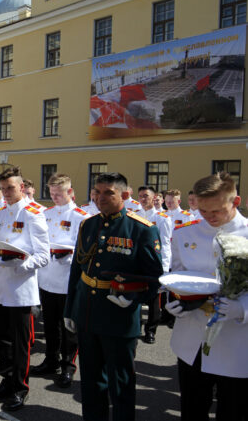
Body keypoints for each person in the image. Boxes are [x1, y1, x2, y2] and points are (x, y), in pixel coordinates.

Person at [64, 172, 163, 421]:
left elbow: (154, 279)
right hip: (87, 313)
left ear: (125, 196)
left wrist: (133, 299)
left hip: (118, 316)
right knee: (91, 381)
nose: (100, 198)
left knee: (120, 385)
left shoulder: (141, 229)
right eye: (97, 192)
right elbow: (77, 270)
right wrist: (70, 309)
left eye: (109, 192)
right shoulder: (88, 224)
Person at [167, 172, 248, 421]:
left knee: (233, 410)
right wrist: (175, 301)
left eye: (216, 211)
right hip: (192, 338)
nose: (209, 217)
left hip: (236, 339)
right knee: (192, 408)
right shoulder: (184, 234)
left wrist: (243, 309)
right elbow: (177, 275)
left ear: (235, 202)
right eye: (203, 211)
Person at [0, 166, 50, 411]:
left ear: (21, 187)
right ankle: (6, 380)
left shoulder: (32, 214)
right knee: (4, 341)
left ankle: (20, 388)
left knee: (20, 344)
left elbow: (44, 255)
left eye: (10, 188)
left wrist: (21, 265)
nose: (6, 193)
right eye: (2, 189)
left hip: (20, 288)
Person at [32, 174, 89, 388]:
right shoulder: (45, 214)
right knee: (50, 326)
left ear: (70, 192)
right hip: (47, 278)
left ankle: (68, 366)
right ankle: (51, 359)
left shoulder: (81, 217)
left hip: (67, 281)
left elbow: (85, 250)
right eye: (51, 194)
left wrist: (70, 253)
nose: (54, 197)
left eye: (58, 194)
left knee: (68, 327)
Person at [135, 186, 173, 344]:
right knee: (135, 298)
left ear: (154, 197)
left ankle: (150, 330)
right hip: (136, 264)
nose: (143, 199)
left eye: (146, 196)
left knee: (153, 300)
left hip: (153, 264)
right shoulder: (134, 216)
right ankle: (135, 328)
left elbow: (165, 245)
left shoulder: (162, 218)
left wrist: (164, 269)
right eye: (140, 196)